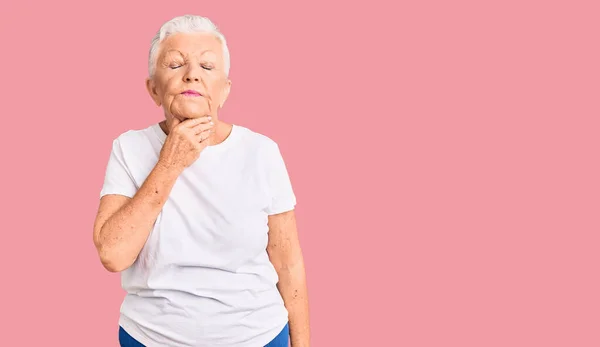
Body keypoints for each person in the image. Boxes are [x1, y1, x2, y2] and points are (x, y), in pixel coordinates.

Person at [92, 14, 310, 347]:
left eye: (207, 67)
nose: (192, 73)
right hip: (150, 338)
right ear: (153, 89)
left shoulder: (261, 152)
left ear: (224, 91)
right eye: (175, 64)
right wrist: (170, 163)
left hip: (259, 337)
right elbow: (113, 254)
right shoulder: (129, 148)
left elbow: (289, 263)